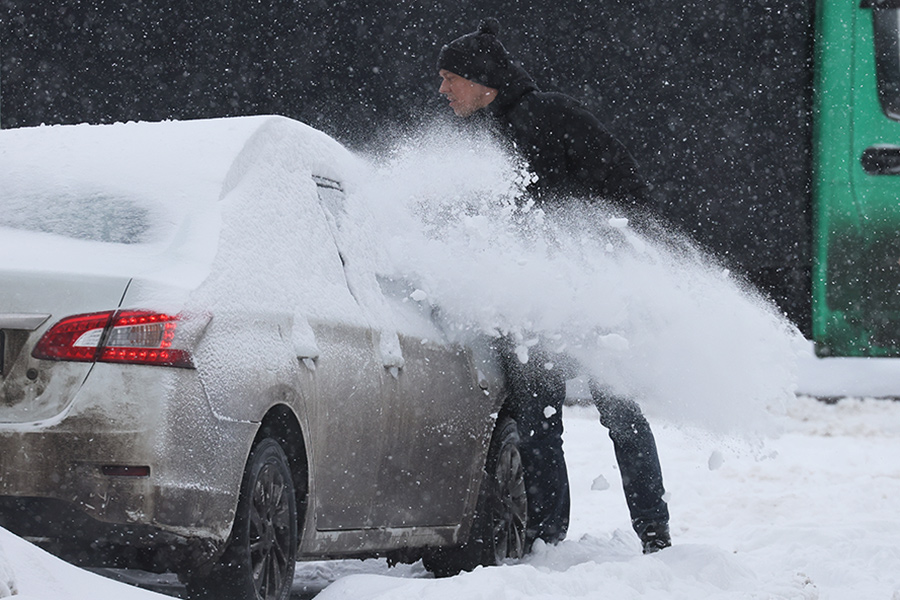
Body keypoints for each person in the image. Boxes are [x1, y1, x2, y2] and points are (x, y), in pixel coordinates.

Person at [437, 18, 671, 554]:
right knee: (541, 422)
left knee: (616, 413)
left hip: (593, 294)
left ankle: (653, 534)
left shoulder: (551, 115)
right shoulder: (482, 138)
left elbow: (629, 189)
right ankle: (547, 540)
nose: (442, 90)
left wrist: (605, 257)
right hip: (533, 301)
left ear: (481, 80)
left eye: (449, 78)